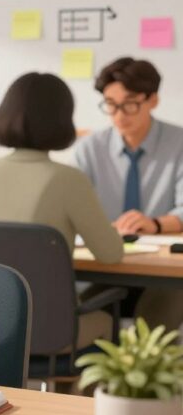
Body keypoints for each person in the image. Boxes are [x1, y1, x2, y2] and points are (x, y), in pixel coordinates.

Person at [0, 72, 123, 346]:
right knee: (107, 320)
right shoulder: (68, 179)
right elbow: (111, 253)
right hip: (55, 334)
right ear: (62, 119)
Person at [75, 57, 183, 330]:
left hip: (162, 269)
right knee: (76, 317)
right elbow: (74, 209)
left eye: (130, 103)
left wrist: (155, 223)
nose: (120, 115)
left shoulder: (179, 143)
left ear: (153, 100)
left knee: (160, 317)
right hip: (105, 263)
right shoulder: (89, 148)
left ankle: (152, 371)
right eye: (111, 104)